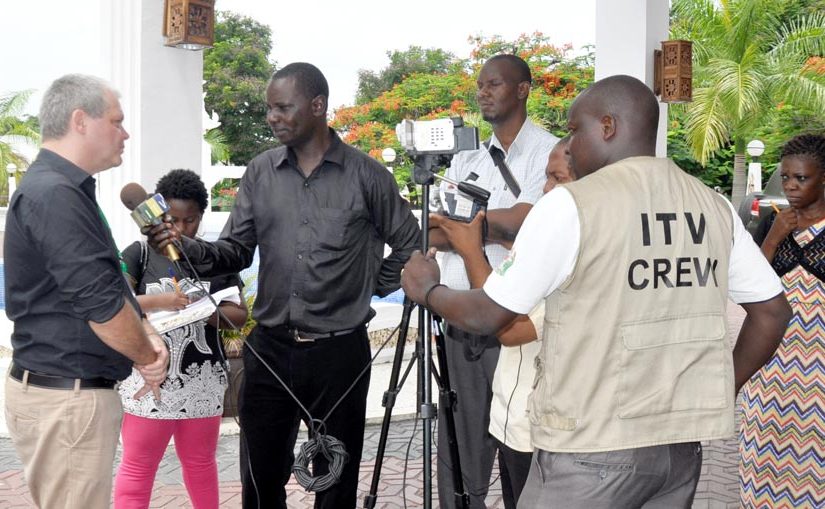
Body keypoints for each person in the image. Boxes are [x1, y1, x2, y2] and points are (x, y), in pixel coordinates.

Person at [401, 74, 793, 508]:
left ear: (607, 127)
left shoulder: (572, 204)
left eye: (574, 130)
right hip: (679, 451)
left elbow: (489, 314)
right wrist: (724, 387)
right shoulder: (712, 204)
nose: (569, 144)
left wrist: (428, 289)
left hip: (589, 449)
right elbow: (772, 312)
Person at [147, 62, 420, 508]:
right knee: (259, 482)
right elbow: (236, 251)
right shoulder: (260, 172)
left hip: (339, 354)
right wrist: (187, 247)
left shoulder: (368, 176)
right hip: (269, 351)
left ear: (317, 106)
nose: (272, 117)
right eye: (269, 108)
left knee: (334, 482)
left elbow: (411, 243)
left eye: (283, 107)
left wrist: (368, 285)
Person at [3, 74, 168, 508]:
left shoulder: (63, 190)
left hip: (66, 394)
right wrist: (147, 357)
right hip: (67, 397)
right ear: (80, 121)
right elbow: (102, 306)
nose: (125, 133)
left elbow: (108, 280)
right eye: (116, 121)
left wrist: (146, 329)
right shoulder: (54, 195)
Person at [428, 53, 558, 509]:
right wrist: (490, 227)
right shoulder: (466, 159)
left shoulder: (550, 153)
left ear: (522, 89)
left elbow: (531, 221)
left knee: (519, 443)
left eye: (494, 84)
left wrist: (465, 228)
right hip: (462, 315)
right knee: (460, 449)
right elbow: (435, 229)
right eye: (480, 85)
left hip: (515, 324)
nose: (482, 93)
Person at [114, 169, 248, 508]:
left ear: (201, 217)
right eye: (173, 219)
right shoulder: (138, 254)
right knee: (138, 466)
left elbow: (239, 315)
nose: (181, 228)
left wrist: (205, 310)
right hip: (149, 379)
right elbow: (118, 302)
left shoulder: (214, 257)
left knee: (201, 463)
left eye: (190, 220)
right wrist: (164, 301)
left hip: (203, 380)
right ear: (158, 214)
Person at [739, 134, 825, 508]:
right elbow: (748, 290)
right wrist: (774, 238)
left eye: (801, 178)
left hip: (818, 374)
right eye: (786, 177)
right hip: (769, 367)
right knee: (762, 460)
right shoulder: (773, 225)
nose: (790, 186)